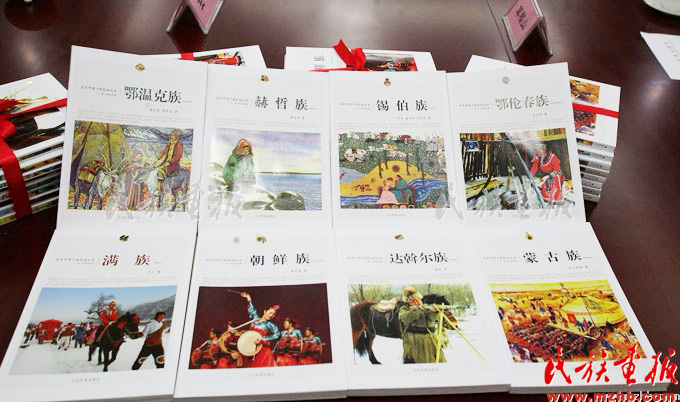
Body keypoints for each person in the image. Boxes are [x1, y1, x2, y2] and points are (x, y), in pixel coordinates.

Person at [398, 287, 446, 363]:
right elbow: (405, 319)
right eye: (413, 301)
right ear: (408, 303)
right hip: (414, 341)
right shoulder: (404, 309)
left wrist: (434, 312)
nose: (417, 302)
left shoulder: (426, 308)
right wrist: (418, 310)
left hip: (430, 340)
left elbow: (431, 320)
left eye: (418, 300)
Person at [240, 292, 280, 367]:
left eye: (274, 314)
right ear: (265, 311)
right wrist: (249, 299)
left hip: (261, 349)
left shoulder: (270, 324)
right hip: (250, 348)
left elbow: (277, 335)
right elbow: (252, 310)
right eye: (270, 313)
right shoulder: (256, 319)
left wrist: (263, 339)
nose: (271, 315)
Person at [156, 129, 184, 199]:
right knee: (155, 169)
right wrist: (159, 157)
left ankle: (159, 190)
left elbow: (178, 156)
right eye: (171, 135)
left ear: (176, 137)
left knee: (160, 172)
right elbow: (163, 151)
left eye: (173, 135)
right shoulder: (169, 144)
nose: (172, 136)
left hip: (173, 165)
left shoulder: (179, 145)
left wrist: (169, 162)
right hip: (165, 162)